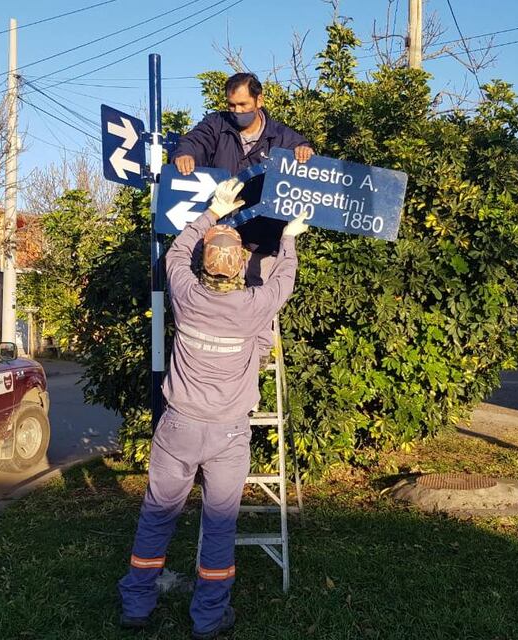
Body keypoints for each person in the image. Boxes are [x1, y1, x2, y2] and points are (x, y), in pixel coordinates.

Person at [117, 177, 310, 639]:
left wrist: (213, 210)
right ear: (241, 267)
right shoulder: (254, 307)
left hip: (178, 428)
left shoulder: (184, 298)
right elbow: (284, 279)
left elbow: (175, 254)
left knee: (157, 514)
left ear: (206, 266)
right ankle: (207, 617)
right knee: (219, 527)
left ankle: (137, 605)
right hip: (228, 436)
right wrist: (287, 237)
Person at [171, 72, 314, 177]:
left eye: (242, 104)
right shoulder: (215, 124)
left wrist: (304, 152)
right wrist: (185, 154)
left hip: (262, 216)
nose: (237, 110)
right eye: (232, 105)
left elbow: (304, 157)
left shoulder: (282, 136)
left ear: (259, 100)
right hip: (220, 213)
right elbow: (195, 141)